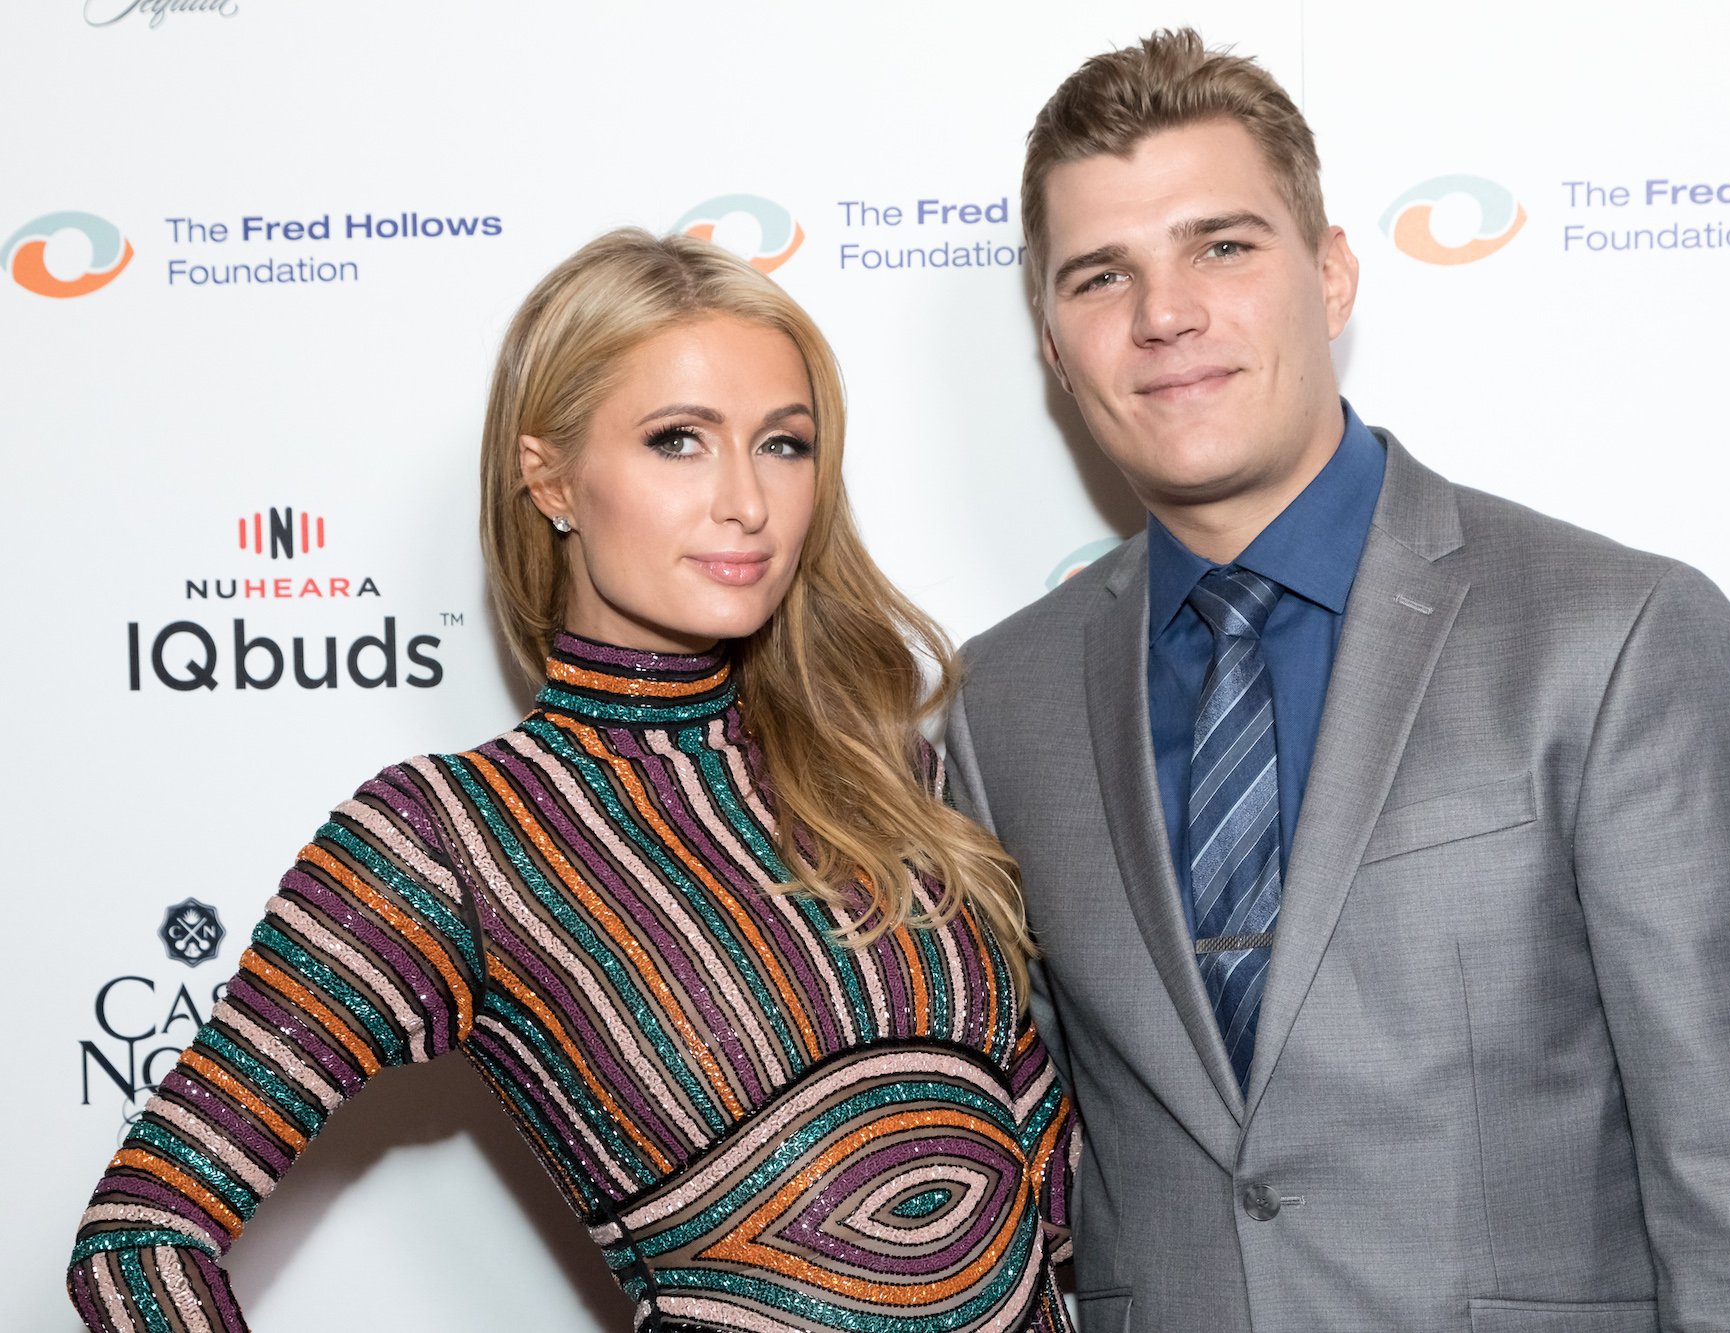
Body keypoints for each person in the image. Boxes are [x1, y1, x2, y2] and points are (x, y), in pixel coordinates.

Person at [944, 29, 1730, 1332]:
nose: (1164, 316)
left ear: (1330, 274)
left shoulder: (1612, 637)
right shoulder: (999, 704)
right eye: (1101, 276)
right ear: (1051, 342)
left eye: (1223, 244)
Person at [67, 230, 1077, 1333]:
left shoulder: (889, 778)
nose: (745, 501)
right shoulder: (451, 841)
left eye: (783, 444)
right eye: (677, 441)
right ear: (548, 475)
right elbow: (138, 1237)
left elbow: (1060, 1207)